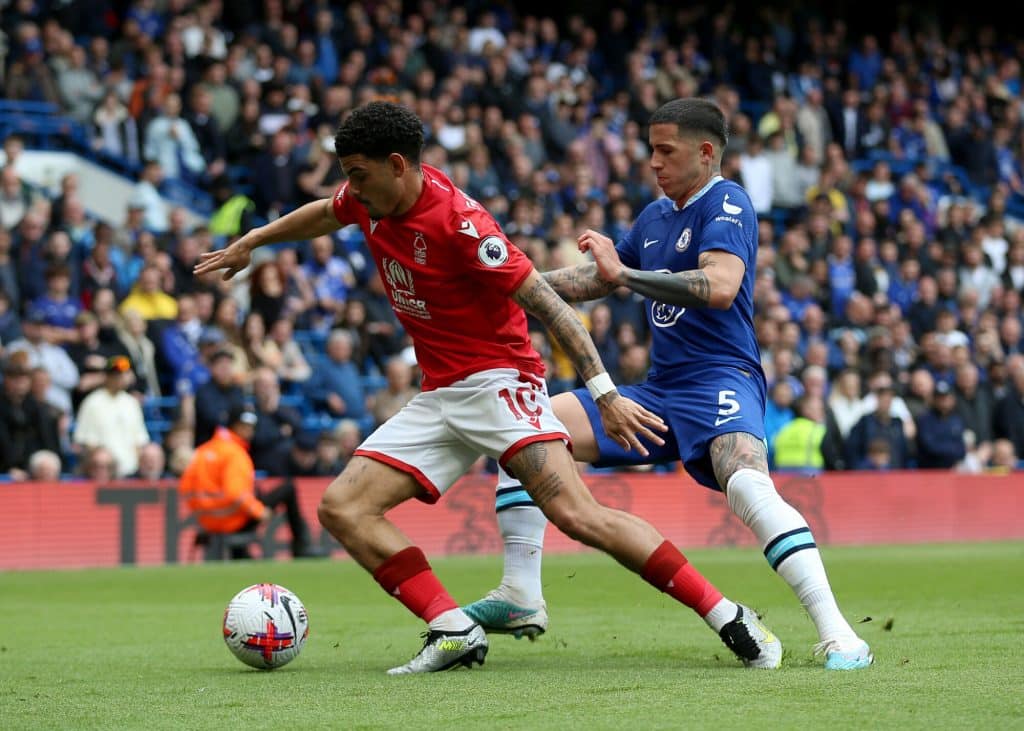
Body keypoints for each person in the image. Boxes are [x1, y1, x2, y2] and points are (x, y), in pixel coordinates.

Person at [195, 101, 781, 675]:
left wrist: (604, 392)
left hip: (502, 383)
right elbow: (325, 212)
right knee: (343, 507)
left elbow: (548, 304)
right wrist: (254, 240)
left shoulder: (462, 224)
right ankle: (453, 629)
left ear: (398, 165)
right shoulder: (368, 197)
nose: (351, 188)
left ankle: (728, 615)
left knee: (579, 516)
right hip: (441, 392)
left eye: (358, 174)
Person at [462, 98, 872, 671]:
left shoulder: (729, 202)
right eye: (650, 149)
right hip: (659, 390)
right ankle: (521, 594)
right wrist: (512, 283)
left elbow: (721, 285)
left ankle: (839, 634)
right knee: (526, 428)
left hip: (721, 381)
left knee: (749, 488)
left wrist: (625, 274)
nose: (653, 162)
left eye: (665, 150)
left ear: (705, 153)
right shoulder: (655, 216)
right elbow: (595, 281)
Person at [178, 404, 324, 559]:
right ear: (236, 426)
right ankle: (302, 546)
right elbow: (235, 493)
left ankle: (242, 555)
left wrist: (204, 515)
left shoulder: (203, 450)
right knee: (288, 488)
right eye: (247, 426)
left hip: (206, 521)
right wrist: (259, 511)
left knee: (258, 493)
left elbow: (185, 488)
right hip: (232, 520)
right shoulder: (235, 453)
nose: (251, 431)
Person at [72, 355, 151, 478]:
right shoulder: (92, 402)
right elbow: (87, 442)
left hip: (131, 471)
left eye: (123, 374)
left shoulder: (131, 402)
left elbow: (140, 441)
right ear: (107, 376)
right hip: (105, 472)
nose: (121, 378)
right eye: (117, 375)